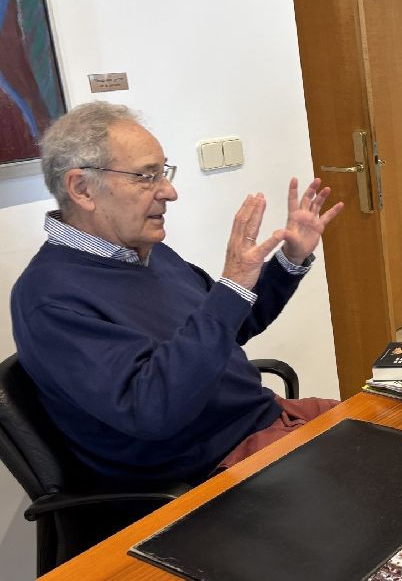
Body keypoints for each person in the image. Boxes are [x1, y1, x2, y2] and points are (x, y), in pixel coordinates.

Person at [10, 101, 344, 484]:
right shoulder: (49, 299)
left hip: (265, 421)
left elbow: (230, 325)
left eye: (163, 173)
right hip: (213, 468)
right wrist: (232, 284)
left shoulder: (149, 254)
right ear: (82, 189)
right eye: (146, 176)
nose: (169, 192)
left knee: (395, 422)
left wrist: (289, 260)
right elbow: (152, 410)